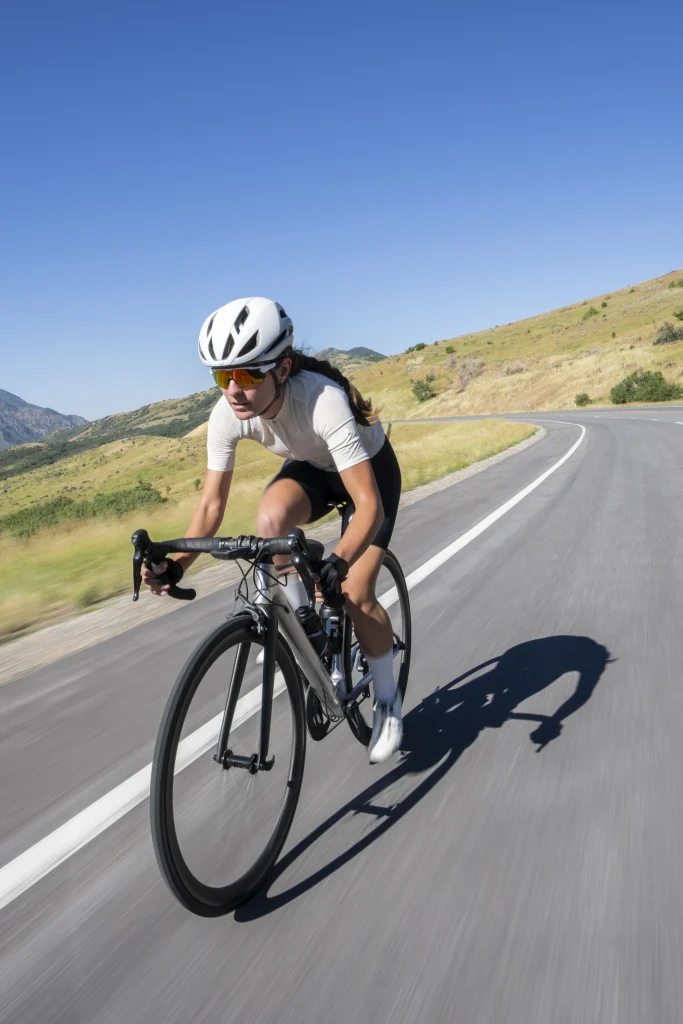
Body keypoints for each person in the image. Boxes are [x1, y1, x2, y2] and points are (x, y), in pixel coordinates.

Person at [143, 297, 403, 763]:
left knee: (357, 591)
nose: (232, 390)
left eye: (246, 375)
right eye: (222, 377)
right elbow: (211, 505)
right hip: (311, 467)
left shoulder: (322, 401)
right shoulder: (226, 416)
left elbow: (368, 507)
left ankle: (387, 701)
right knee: (268, 520)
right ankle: (307, 630)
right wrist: (177, 564)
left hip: (369, 476)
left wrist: (339, 562)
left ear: (282, 369)